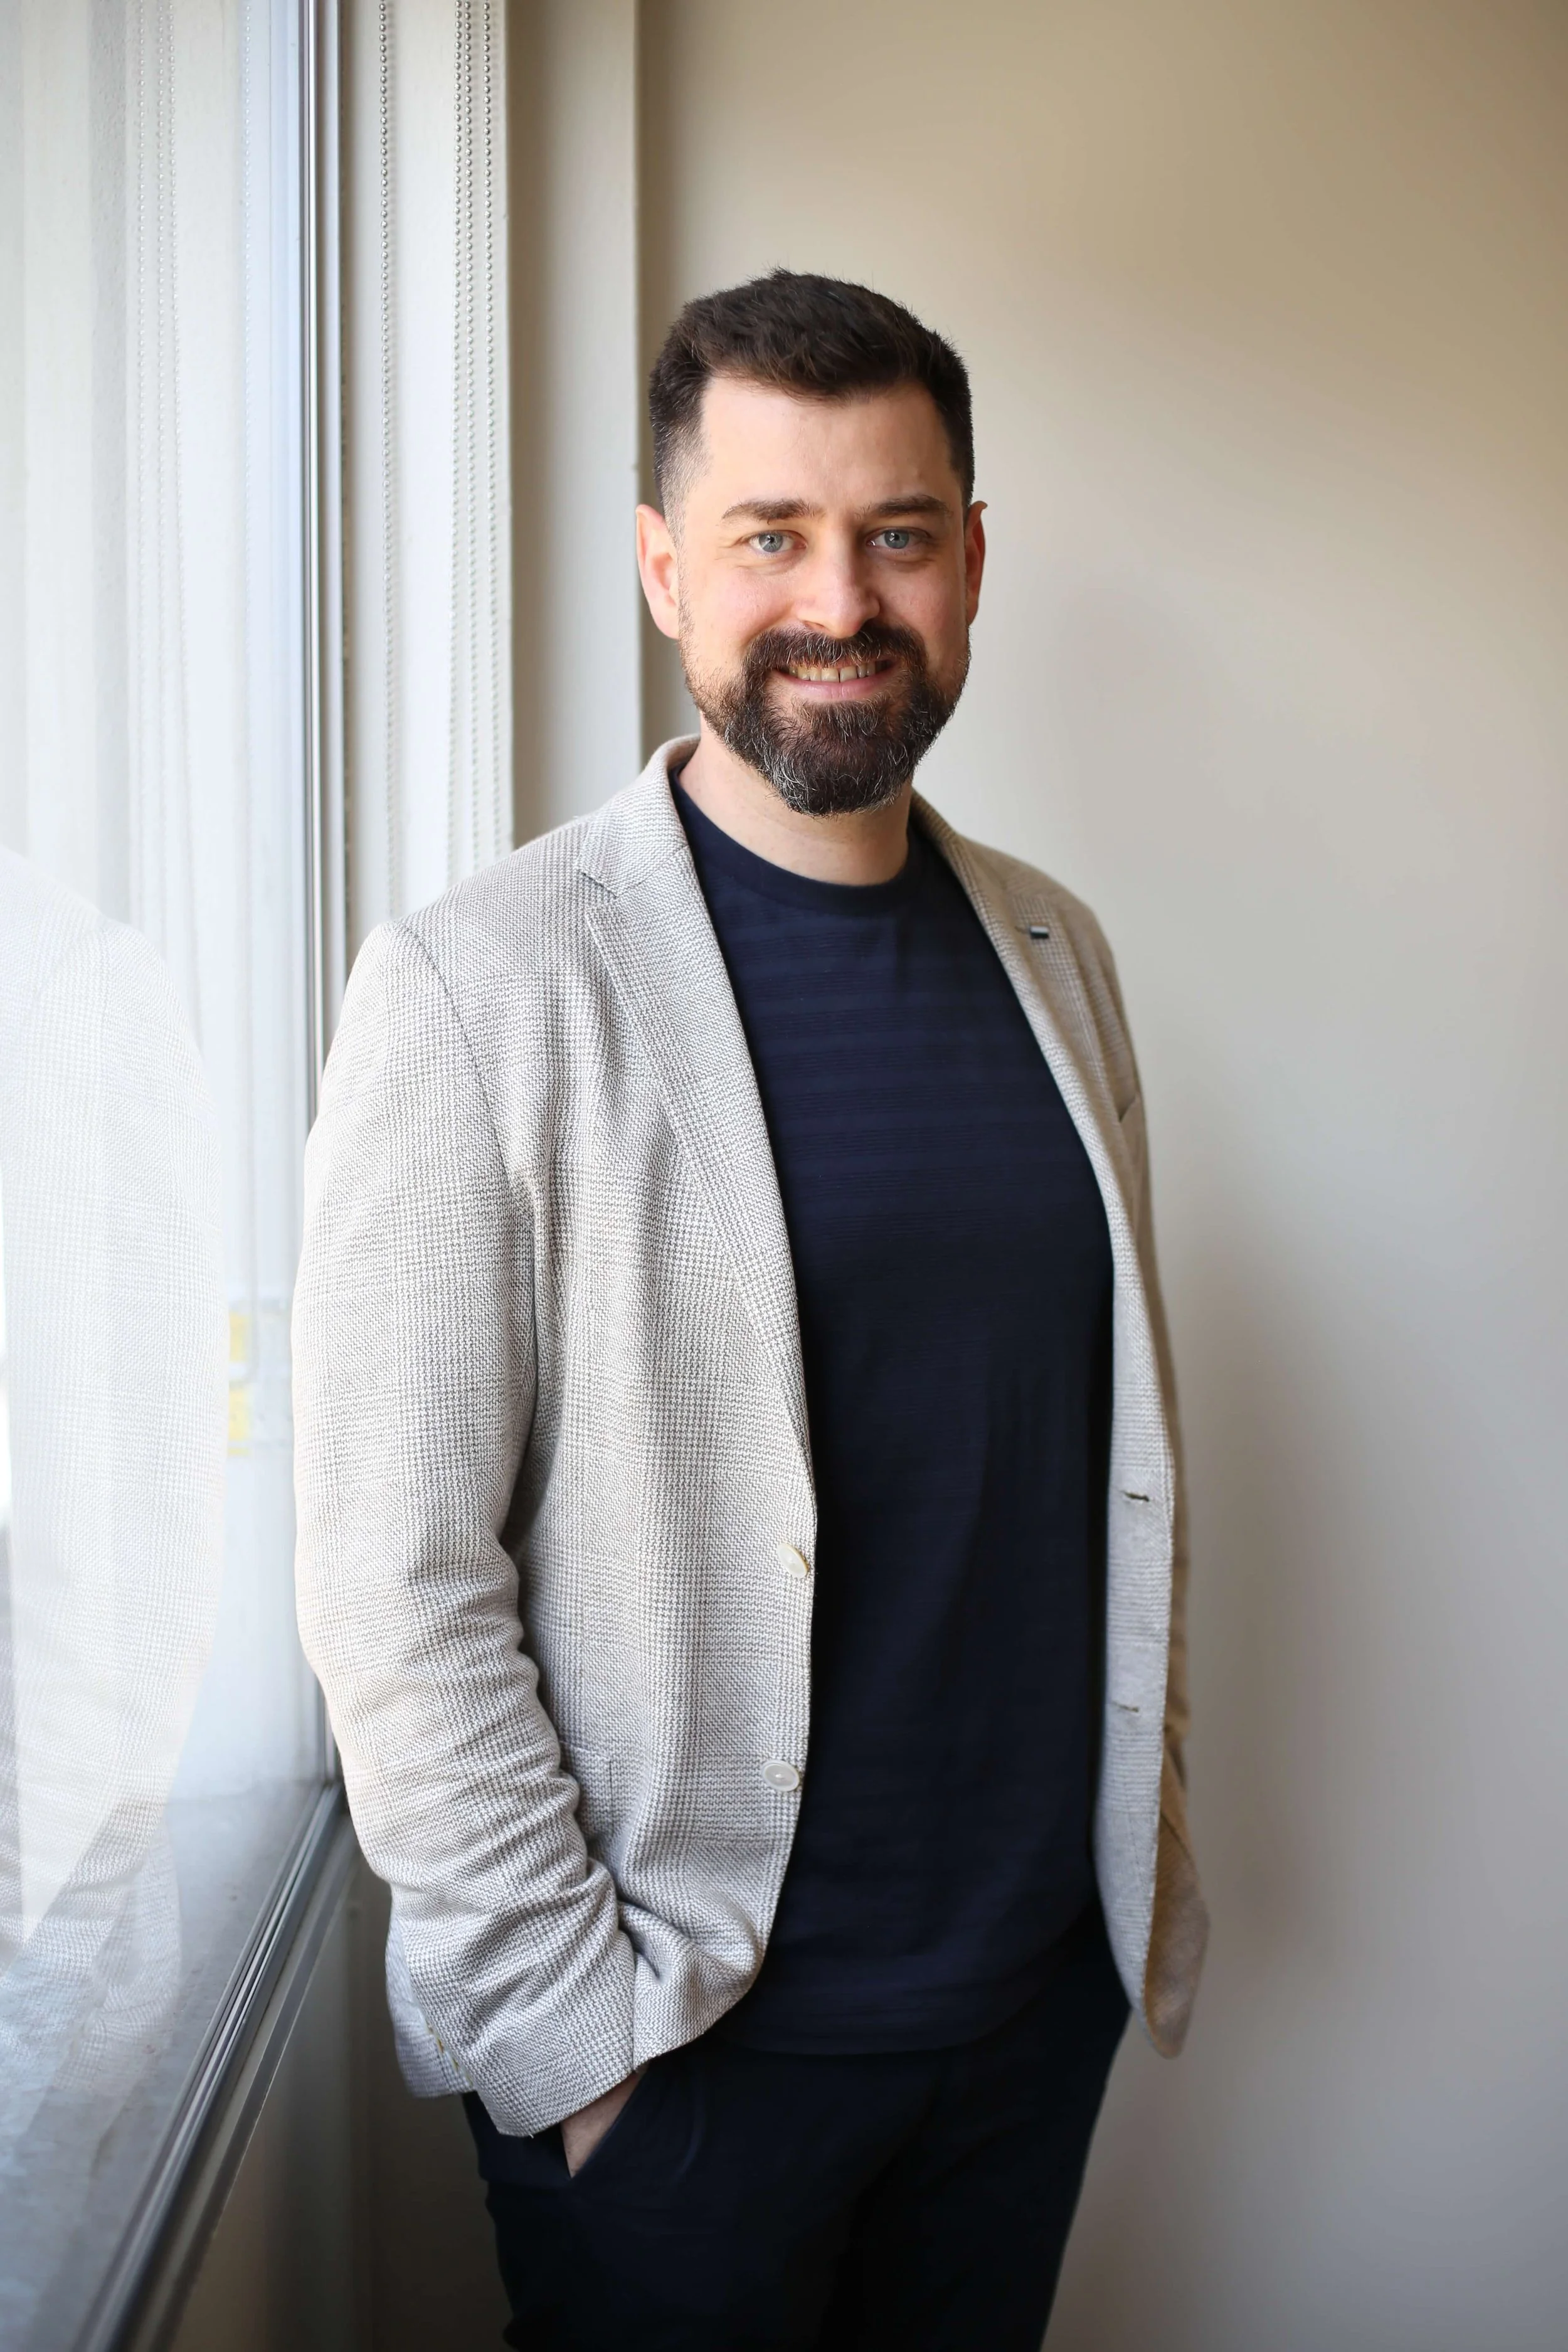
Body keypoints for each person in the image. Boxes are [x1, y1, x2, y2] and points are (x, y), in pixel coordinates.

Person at [295, 270, 1207, 2351]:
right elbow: (388, 1566)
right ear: (659, 569)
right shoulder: (482, 986)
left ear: (970, 565)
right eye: (767, 537)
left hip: (1016, 2013)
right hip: (683, 2056)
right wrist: (577, 2049)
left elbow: (1097, 1461)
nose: (840, 598)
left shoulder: (1057, 954)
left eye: (895, 533)